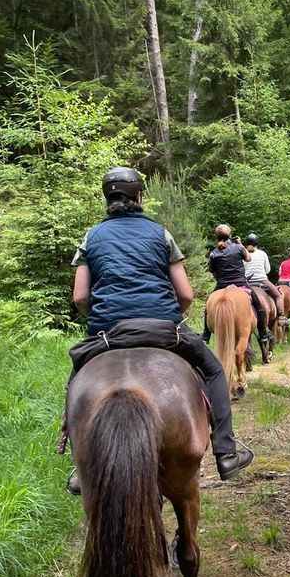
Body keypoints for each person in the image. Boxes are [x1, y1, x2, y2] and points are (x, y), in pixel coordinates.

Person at [66, 167, 253, 494]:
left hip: (108, 332)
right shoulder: (160, 234)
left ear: (107, 198)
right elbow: (186, 294)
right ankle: (226, 451)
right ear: (140, 196)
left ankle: (80, 468)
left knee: (78, 375)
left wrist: (97, 316)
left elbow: (80, 296)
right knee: (211, 369)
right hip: (163, 326)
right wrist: (172, 318)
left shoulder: (91, 237)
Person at [203, 224, 272, 345]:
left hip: (221, 285)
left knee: (208, 307)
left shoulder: (214, 253)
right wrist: (240, 244)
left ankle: (205, 334)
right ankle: (262, 333)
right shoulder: (238, 248)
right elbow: (249, 258)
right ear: (230, 235)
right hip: (241, 283)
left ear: (217, 237)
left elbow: (214, 274)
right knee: (258, 306)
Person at [243, 233, 290, 327]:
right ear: (257, 243)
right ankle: (281, 317)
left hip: (246, 283)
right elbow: (268, 270)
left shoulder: (243, 254)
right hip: (262, 281)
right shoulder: (262, 253)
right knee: (278, 296)